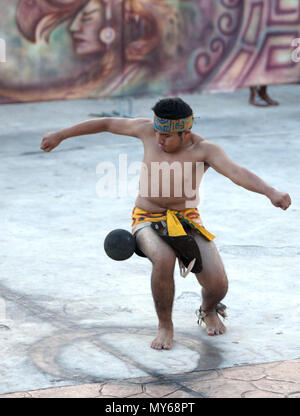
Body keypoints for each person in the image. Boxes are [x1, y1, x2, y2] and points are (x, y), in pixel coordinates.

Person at [40, 98, 291, 350]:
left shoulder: (205, 150)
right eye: (158, 134)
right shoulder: (147, 130)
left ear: (186, 133)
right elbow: (106, 123)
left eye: (167, 137)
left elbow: (237, 173)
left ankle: (208, 308)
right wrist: (61, 135)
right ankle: (165, 326)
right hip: (145, 218)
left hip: (185, 219)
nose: (159, 140)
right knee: (163, 257)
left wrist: (271, 192)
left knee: (218, 284)